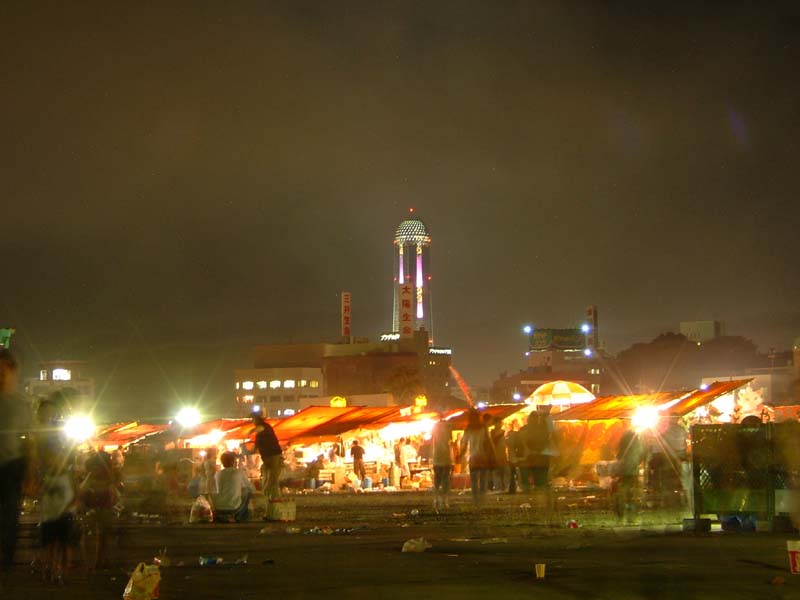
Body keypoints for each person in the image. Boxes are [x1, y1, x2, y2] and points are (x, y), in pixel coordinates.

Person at [0, 349, 32, 574]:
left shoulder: (21, 404)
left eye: (4, 371)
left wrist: (30, 471)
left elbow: (30, 440)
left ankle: (6, 559)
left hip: (12, 466)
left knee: (10, 514)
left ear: (13, 373)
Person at [80, 448, 119, 570]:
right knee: (102, 537)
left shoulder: (96, 475)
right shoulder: (106, 476)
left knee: (98, 537)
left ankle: (96, 561)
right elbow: (114, 495)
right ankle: (100, 560)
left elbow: (82, 491)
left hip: (97, 509)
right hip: (100, 509)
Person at [460, 409, 495, 506]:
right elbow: (489, 442)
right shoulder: (483, 428)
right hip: (483, 457)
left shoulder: (468, 429)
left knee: (474, 481)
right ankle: (482, 499)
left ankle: (476, 500)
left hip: (473, 458)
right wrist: (493, 454)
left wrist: (461, 455)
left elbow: (464, 444)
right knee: (483, 480)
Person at [616, 426, 646, 524]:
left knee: (624, 489)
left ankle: (621, 512)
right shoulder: (637, 442)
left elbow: (619, 456)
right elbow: (642, 454)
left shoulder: (623, 443)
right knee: (633, 492)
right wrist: (637, 462)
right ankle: (631, 516)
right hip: (633, 469)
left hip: (624, 469)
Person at [520, 407, 553, 492]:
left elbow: (546, 439)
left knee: (540, 474)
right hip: (534, 456)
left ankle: (538, 488)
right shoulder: (527, 429)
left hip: (539, 455)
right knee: (537, 474)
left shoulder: (539, 428)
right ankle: (537, 488)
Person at [213, 452, 253, 522]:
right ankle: (239, 516)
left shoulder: (217, 474)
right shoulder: (239, 472)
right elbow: (249, 487)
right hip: (234, 507)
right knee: (247, 491)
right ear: (233, 461)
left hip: (218, 507)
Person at [252, 415, 283, 503]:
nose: (252, 422)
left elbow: (260, 428)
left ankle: (268, 496)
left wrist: (250, 431)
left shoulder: (266, 427)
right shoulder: (259, 435)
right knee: (269, 478)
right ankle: (273, 498)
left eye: (253, 420)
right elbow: (255, 447)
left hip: (274, 455)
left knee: (272, 478)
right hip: (267, 457)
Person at [431, 415, 453, 510]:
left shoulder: (435, 428)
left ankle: (436, 499)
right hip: (445, 458)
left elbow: (433, 443)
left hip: (437, 458)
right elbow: (450, 443)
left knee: (437, 480)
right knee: (445, 480)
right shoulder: (448, 427)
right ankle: (445, 500)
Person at [506, 420, 525, 493]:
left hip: (512, 458)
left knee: (512, 473)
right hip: (516, 458)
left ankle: (513, 488)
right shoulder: (516, 435)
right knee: (517, 473)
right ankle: (519, 487)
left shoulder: (510, 436)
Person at [490, 417, 508, 492]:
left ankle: (504, 487)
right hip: (495, 454)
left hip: (503, 454)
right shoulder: (492, 432)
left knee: (504, 471)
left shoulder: (503, 432)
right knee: (497, 472)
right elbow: (493, 442)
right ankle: (498, 487)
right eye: (499, 423)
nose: (500, 424)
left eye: (500, 423)